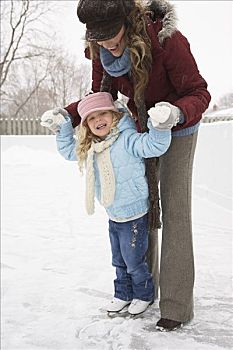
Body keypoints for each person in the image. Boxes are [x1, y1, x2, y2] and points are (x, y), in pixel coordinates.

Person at [42, 0, 211, 330]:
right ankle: (142, 291)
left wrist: (174, 113)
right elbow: (99, 97)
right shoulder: (99, 48)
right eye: (97, 38)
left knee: (174, 210)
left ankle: (176, 306)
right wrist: (67, 114)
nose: (105, 44)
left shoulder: (166, 41)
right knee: (140, 206)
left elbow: (198, 93)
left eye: (110, 36)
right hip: (140, 127)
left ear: (128, 21)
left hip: (179, 124)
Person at [41, 91, 176, 316]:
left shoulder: (127, 139)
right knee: (119, 260)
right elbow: (67, 151)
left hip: (134, 214)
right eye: (91, 118)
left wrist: (160, 126)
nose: (98, 120)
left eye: (103, 113)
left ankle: (144, 295)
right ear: (86, 125)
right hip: (113, 213)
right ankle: (122, 294)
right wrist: (62, 128)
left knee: (134, 261)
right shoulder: (91, 147)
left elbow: (154, 146)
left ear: (114, 115)